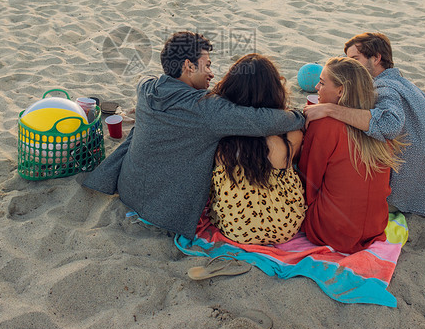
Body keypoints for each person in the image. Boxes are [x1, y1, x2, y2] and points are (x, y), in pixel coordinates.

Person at [83, 31, 305, 240]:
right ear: (188, 66)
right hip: (163, 211)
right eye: (207, 65)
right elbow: (262, 121)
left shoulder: (146, 87)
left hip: (128, 189)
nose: (211, 72)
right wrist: (300, 115)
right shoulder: (205, 108)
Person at [304, 32, 425, 217]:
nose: (352, 66)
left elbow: (389, 125)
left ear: (377, 58)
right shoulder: (405, 85)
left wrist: (331, 109)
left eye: (356, 59)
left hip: (404, 198)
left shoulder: (384, 89)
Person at [299, 57, 402, 253]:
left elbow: (309, 182)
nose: (316, 86)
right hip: (375, 226)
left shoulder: (324, 126)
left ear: (341, 91)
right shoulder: (378, 128)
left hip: (331, 231)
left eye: (322, 82)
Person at [207, 54, 305, 245]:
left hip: (236, 229)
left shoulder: (220, 135)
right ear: (275, 90)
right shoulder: (292, 133)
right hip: (287, 226)